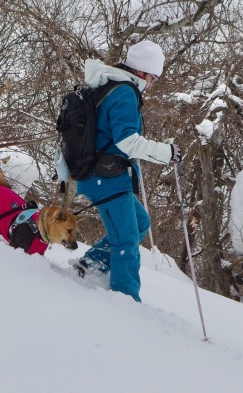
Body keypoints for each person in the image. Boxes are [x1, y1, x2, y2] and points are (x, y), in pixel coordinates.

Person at [73, 40, 181, 302]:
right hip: (106, 178)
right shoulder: (124, 92)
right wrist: (165, 153)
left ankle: (91, 264)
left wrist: (156, 149)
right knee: (126, 244)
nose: (152, 83)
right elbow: (127, 141)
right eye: (153, 77)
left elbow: (117, 138)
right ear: (142, 72)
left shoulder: (113, 86)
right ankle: (126, 302)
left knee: (141, 221)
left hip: (107, 175)